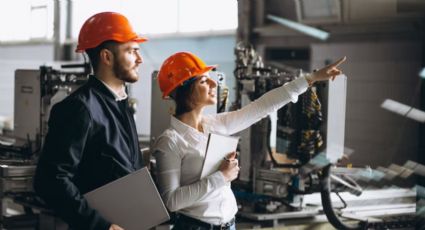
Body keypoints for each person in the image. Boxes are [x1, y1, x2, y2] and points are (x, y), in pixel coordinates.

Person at [152, 51, 346, 230]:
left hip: (229, 225)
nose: (213, 84)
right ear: (185, 89)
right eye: (204, 81)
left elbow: (262, 107)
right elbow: (171, 200)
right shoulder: (170, 141)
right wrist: (221, 177)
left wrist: (310, 79)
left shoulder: (216, 124)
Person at [33, 12, 147, 230]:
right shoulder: (80, 108)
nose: (140, 59)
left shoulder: (120, 103)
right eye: (131, 51)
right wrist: (100, 225)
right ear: (107, 57)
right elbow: (50, 180)